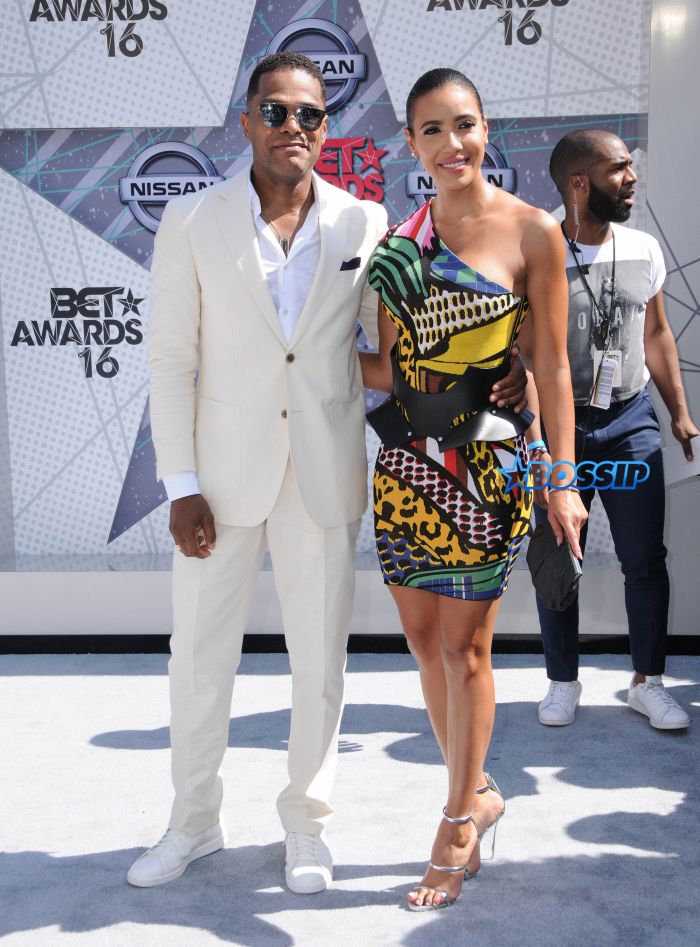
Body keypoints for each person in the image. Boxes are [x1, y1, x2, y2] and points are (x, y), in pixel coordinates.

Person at [129, 53, 526, 895]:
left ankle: (306, 825)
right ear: (245, 123)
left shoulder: (362, 223)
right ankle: (192, 822)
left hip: (322, 471)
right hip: (219, 486)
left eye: (309, 115)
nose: (293, 129)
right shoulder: (191, 223)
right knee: (199, 661)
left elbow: (399, 354)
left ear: (326, 127)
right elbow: (169, 361)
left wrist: (500, 373)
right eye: (275, 113)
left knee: (320, 664)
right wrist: (180, 483)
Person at [359, 68, 587, 911]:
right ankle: (480, 787)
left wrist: (561, 479)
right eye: (431, 130)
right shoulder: (396, 248)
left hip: (489, 472)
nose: (451, 144)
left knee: (466, 651)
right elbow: (392, 368)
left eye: (464, 125)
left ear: (487, 129)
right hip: (407, 467)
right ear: (411, 143)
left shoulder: (533, 234)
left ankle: (458, 822)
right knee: (423, 646)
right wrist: (295, 359)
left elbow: (556, 366)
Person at [525, 129, 698, 730]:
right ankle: (561, 680)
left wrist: (677, 410)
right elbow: (521, 354)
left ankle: (648, 682)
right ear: (579, 182)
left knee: (645, 558)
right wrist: (533, 435)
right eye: (619, 169)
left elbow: (656, 335)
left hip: (629, 421)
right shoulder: (536, 249)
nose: (631, 178)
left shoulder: (643, 249)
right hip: (558, 425)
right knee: (556, 550)